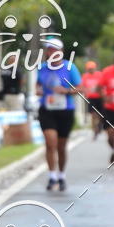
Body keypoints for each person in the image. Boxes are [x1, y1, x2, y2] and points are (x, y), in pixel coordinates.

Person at [36, 38, 82, 191]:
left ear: (61, 52)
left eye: (55, 50)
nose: (52, 52)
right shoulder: (42, 68)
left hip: (65, 110)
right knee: (50, 143)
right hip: (47, 109)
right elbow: (38, 85)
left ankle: (61, 175)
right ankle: (52, 176)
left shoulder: (70, 67)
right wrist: (38, 90)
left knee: (61, 147)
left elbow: (81, 89)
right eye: (49, 50)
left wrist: (67, 91)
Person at [80, 60, 103, 138]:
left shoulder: (100, 75)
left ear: (95, 68)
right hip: (90, 97)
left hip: (100, 97)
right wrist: (85, 91)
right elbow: (82, 86)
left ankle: (99, 125)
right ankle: (94, 130)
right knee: (93, 114)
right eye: (89, 69)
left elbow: (103, 84)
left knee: (100, 114)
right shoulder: (85, 76)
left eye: (92, 68)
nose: (91, 70)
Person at [99, 60, 114, 164]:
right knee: (110, 134)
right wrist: (105, 97)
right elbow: (99, 88)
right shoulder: (107, 72)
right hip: (109, 108)